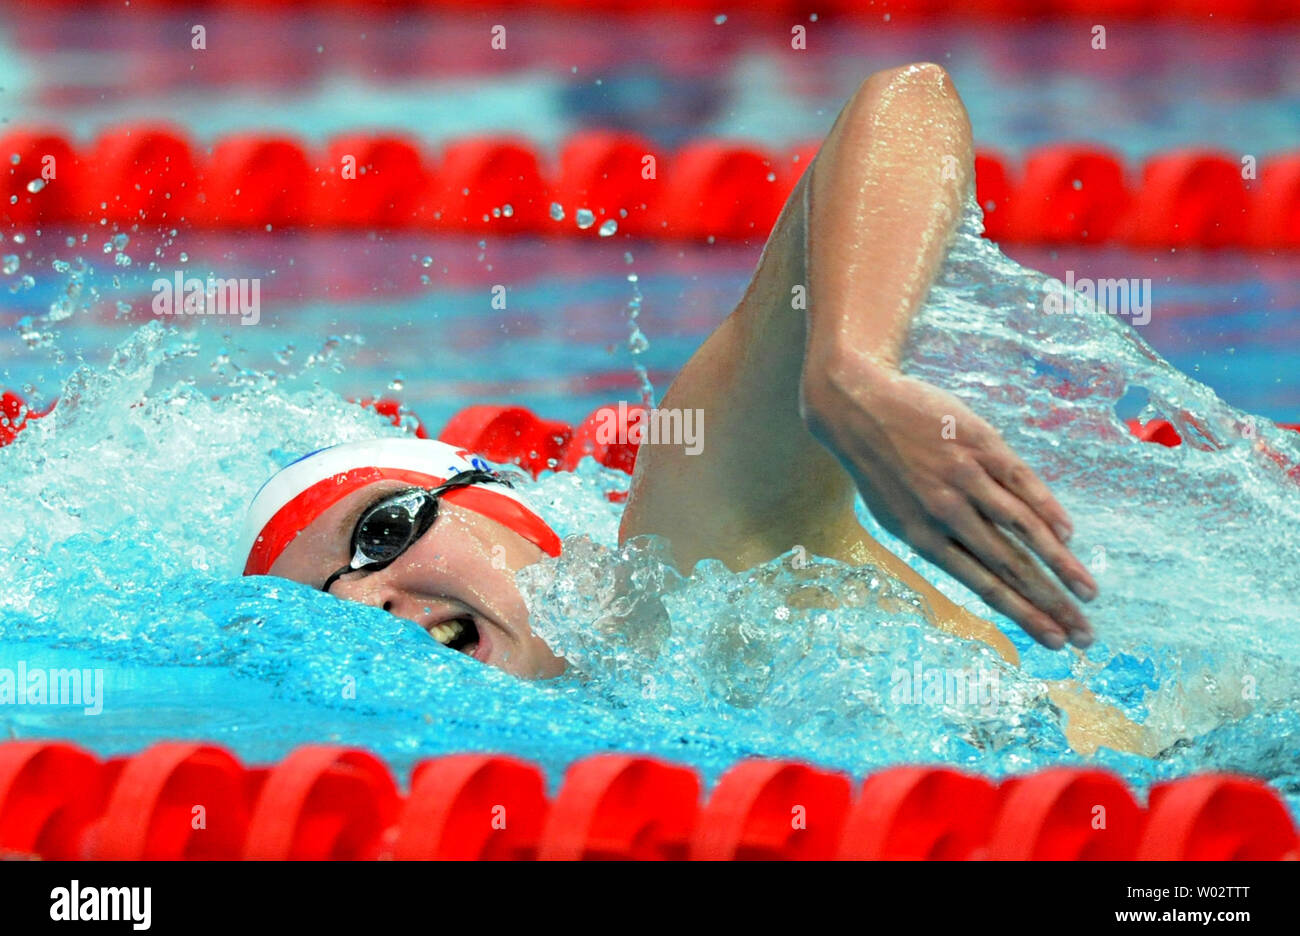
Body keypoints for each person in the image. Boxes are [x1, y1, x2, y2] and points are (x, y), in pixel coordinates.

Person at [239, 64, 1147, 756]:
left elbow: (907, 102)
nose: (364, 599)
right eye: (327, 611)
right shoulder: (599, 724)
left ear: (507, 501)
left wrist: (849, 370)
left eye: (381, 531)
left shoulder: (684, 570)